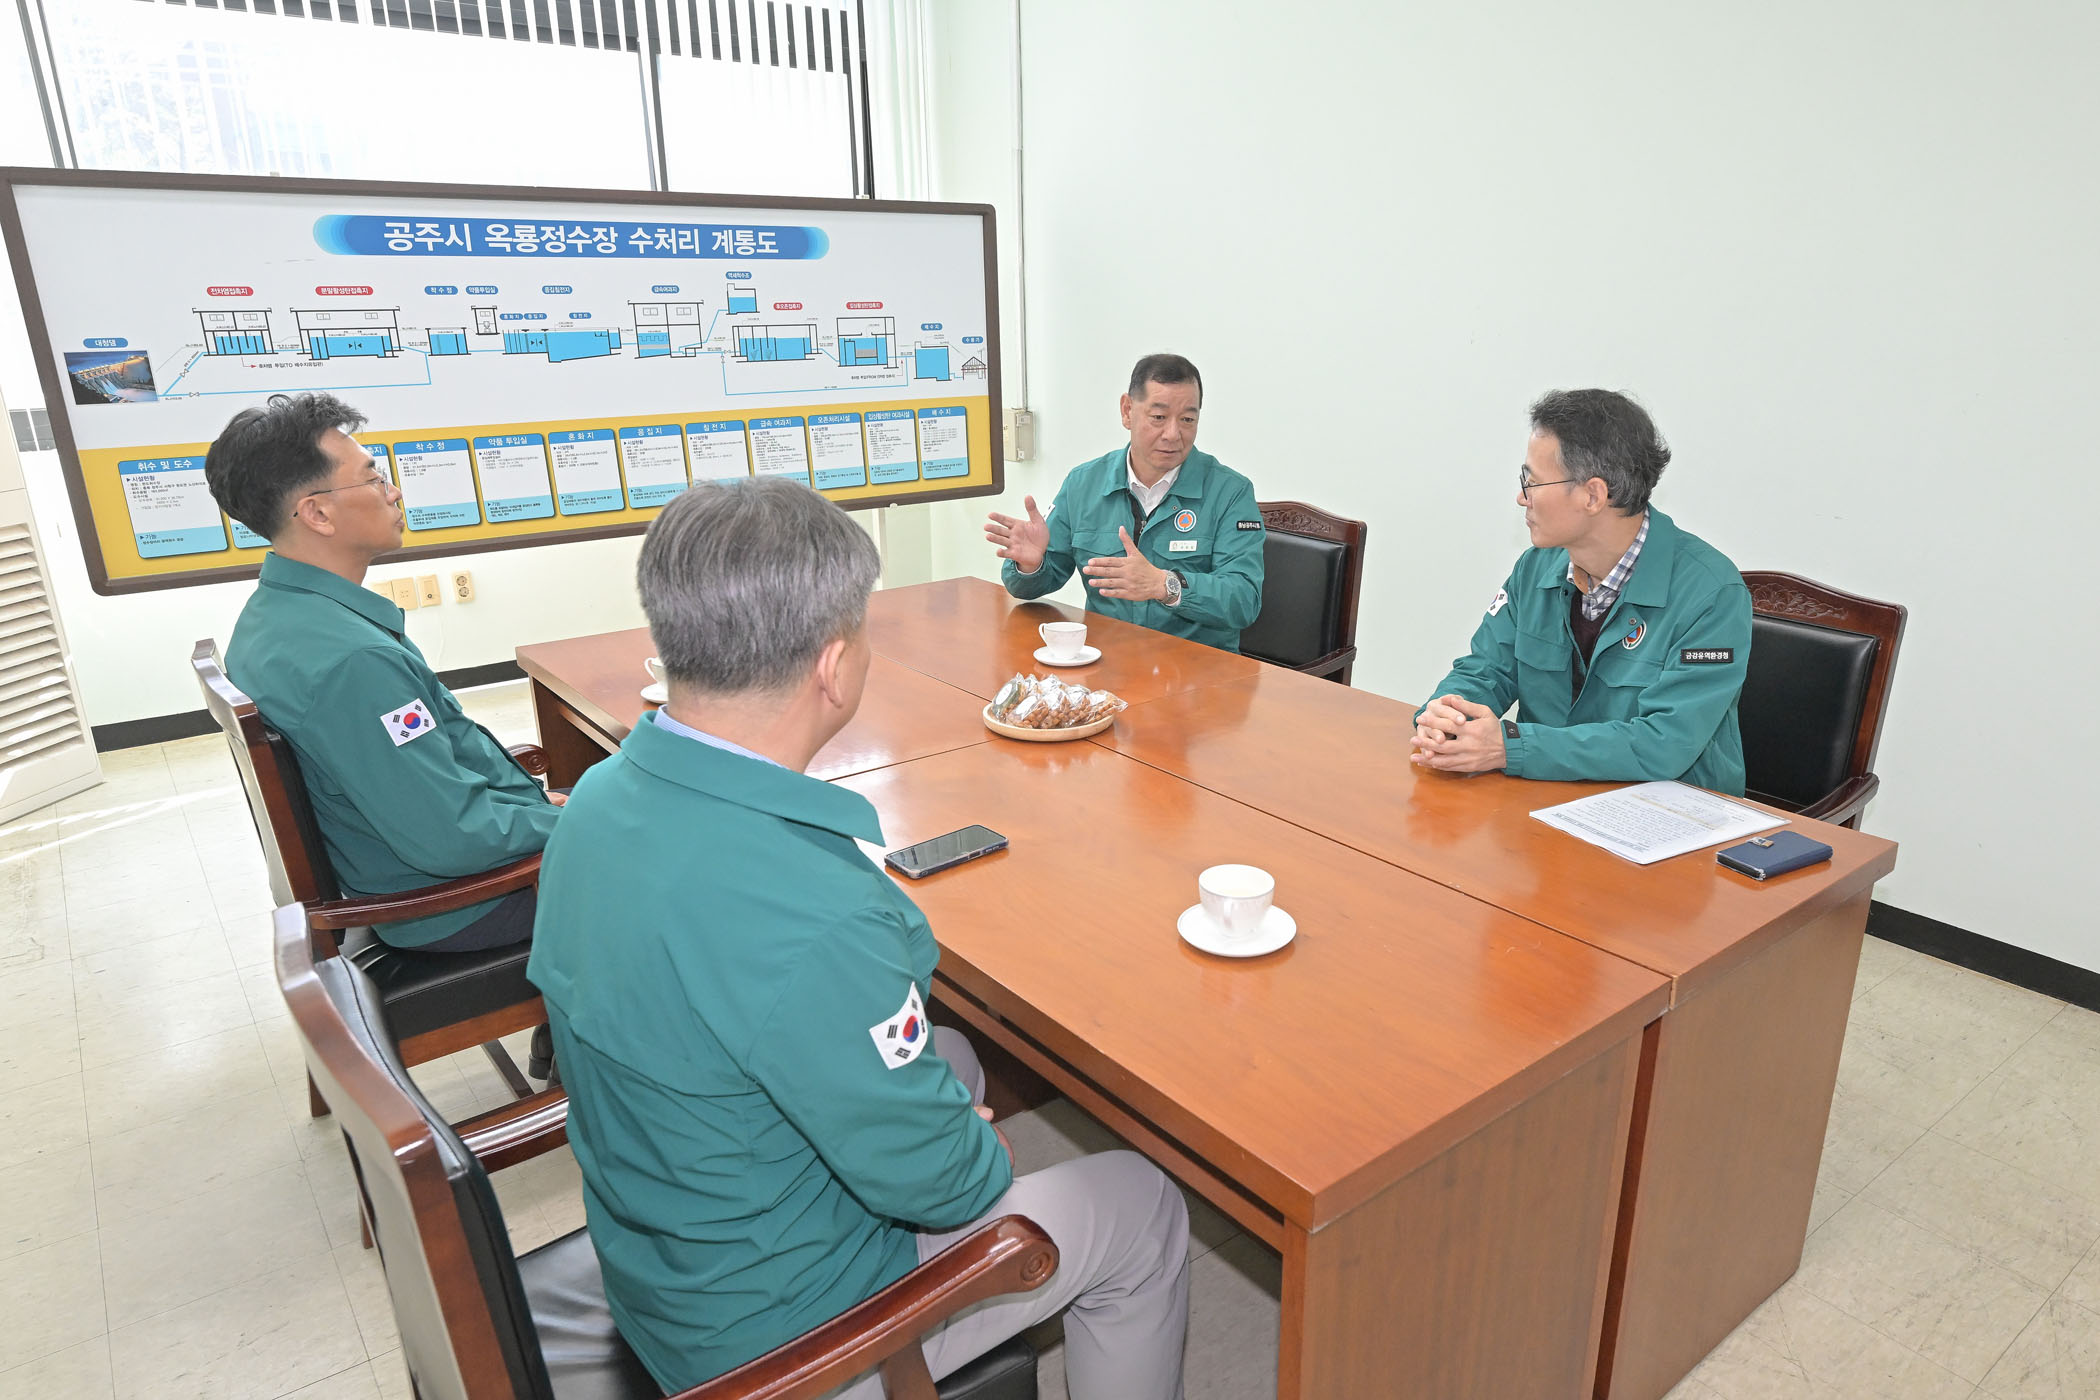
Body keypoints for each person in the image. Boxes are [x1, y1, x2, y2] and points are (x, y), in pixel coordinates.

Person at [529, 478, 1191, 1398]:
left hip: (663, 1249)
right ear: (834, 668)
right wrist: (970, 1151)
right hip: (781, 1341)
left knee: (953, 1054)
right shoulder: (816, 911)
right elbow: (953, 1186)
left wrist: (934, 1123)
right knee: (1141, 1203)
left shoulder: (597, 799)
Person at [208, 392, 560, 952]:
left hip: (417, 863)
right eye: (373, 479)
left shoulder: (278, 615)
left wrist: (541, 810)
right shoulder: (352, 662)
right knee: (688, 853)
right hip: (464, 903)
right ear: (317, 514)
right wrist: (579, 820)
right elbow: (453, 836)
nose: (393, 492)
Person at [1411, 389, 1752, 793]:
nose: (1521, 498)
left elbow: (1665, 742)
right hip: (1548, 798)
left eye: (1532, 482)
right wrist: (1447, 718)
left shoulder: (1712, 594)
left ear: (1593, 495)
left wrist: (1510, 747)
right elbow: (1486, 669)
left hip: (1672, 812)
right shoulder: (1536, 568)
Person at [986, 353, 1265, 652]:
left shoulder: (1230, 492)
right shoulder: (1084, 484)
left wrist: (1165, 585)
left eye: (1187, 419)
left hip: (1198, 668)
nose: (1173, 434)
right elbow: (1027, 587)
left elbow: (1244, 599)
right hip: (1109, 662)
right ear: (1127, 411)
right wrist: (1031, 565)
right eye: (1158, 417)